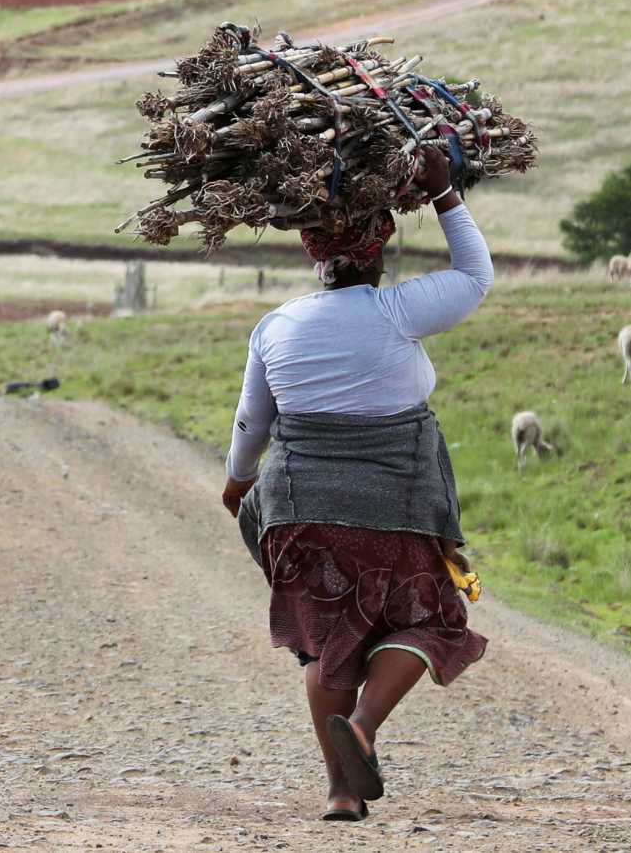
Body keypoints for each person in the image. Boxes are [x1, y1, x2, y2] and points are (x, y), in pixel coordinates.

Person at [219, 146, 495, 822]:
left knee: (326, 643)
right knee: (430, 617)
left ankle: (341, 792)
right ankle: (366, 725)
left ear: (317, 259)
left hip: (297, 511)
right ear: (378, 254)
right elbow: (475, 276)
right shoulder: (397, 312)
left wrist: (238, 484)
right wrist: (446, 194)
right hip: (394, 508)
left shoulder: (275, 326)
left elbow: (253, 421)